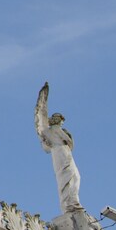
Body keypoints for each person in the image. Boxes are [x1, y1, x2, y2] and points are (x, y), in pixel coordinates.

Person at [35, 83, 82, 213]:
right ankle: (70, 203)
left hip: (61, 153)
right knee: (72, 176)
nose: (62, 122)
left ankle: (70, 202)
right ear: (57, 120)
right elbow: (69, 141)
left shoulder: (54, 131)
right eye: (61, 119)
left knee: (71, 176)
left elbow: (47, 147)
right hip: (61, 152)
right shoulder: (55, 129)